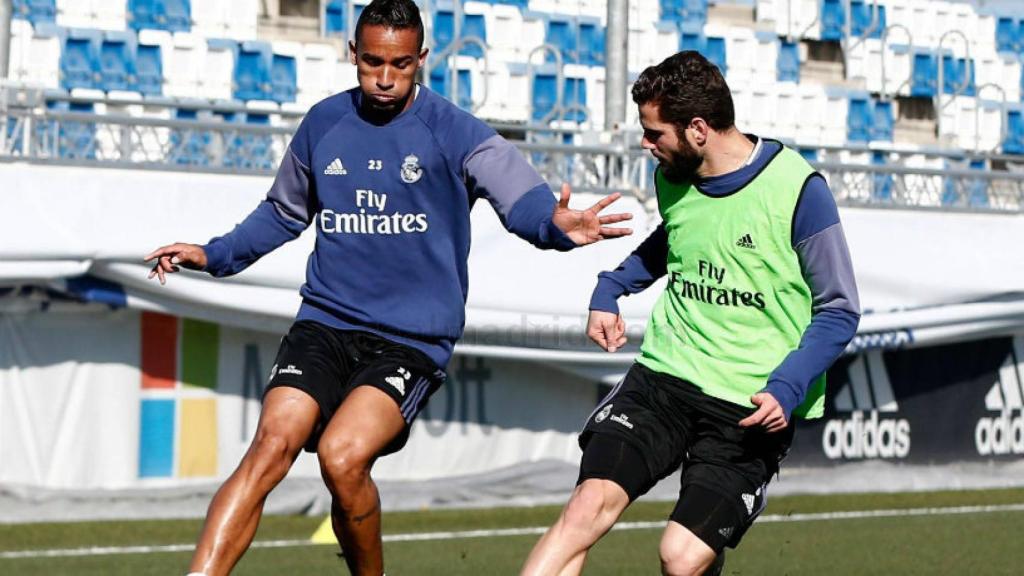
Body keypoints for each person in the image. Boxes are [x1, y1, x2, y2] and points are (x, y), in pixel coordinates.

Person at [144, 1, 632, 574]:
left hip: (410, 341)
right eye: (372, 61)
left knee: (342, 456)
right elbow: (282, 212)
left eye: (400, 64)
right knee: (271, 444)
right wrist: (215, 253)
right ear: (353, 54)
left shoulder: (456, 132)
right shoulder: (324, 124)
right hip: (325, 322)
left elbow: (519, 196)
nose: (384, 77)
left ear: (422, 59)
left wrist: (553, 223)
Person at [521, 51, 860, 576]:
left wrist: (787, 386)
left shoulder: (800, 191)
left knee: (681, 559)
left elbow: (838, 310)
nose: (645, 143)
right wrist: (610, 288)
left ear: (698, 129)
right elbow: (676, 241)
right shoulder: (672, 175)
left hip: (748, 404)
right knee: (586, 508)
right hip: (665, 377)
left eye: (654, 133)